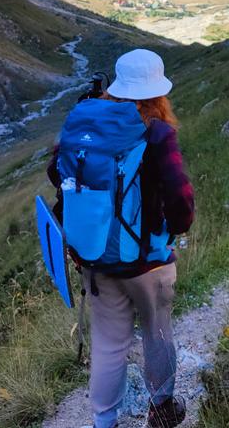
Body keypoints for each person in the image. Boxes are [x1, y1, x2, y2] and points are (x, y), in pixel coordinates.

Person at [47, 49, 195, 428]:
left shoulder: (90, 123)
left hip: (97, 258)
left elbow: (56, 172)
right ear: (157, 91)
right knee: (157, 332)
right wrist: (177, 227)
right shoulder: (158, 132)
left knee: (109, 345)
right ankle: (161, 408)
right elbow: (180, 196)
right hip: (148, 261)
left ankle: (103, 421)